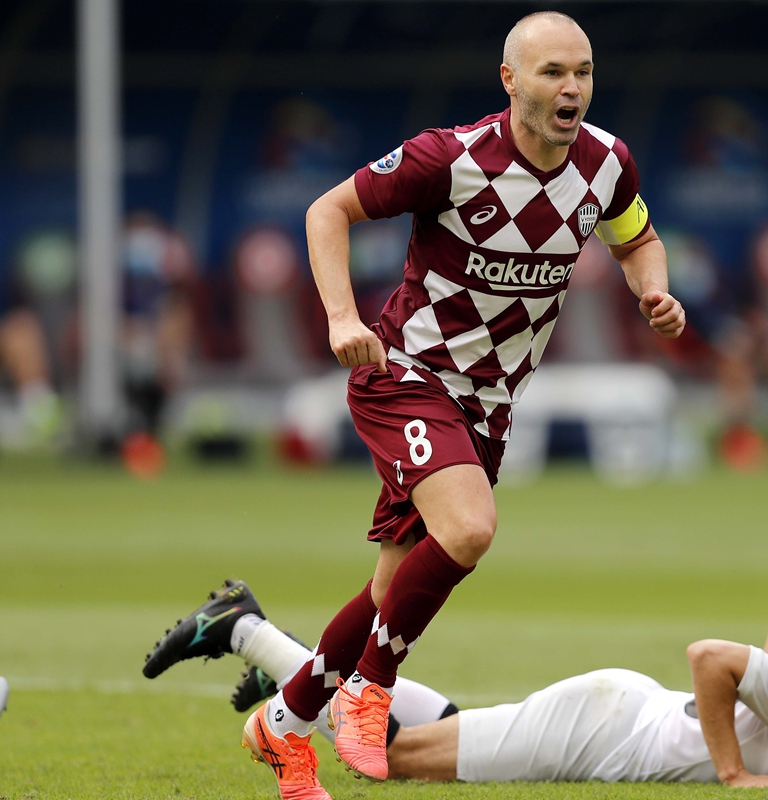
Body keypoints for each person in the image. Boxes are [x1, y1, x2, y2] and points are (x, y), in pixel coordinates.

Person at [145, 12, 685, 800]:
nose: (572, 88)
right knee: (468, 529)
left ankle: (285, 725)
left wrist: (653, 289)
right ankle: (369, 691)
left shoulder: (607, 163)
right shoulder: (451, 156)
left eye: (583, 72)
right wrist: (339, 316)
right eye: (552, 73)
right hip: (408, 376)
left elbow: (637, 240)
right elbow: (326, 211)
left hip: (488, 407)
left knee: (387, 593)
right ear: (511, 80)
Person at [144, 579, 768, 787]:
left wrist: (748, 718)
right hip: (607, 733)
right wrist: (735, 772)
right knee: (392, 762)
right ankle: (249, 632)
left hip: (616, 711)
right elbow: (714, 657)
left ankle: (286, 652)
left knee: (454, 726)